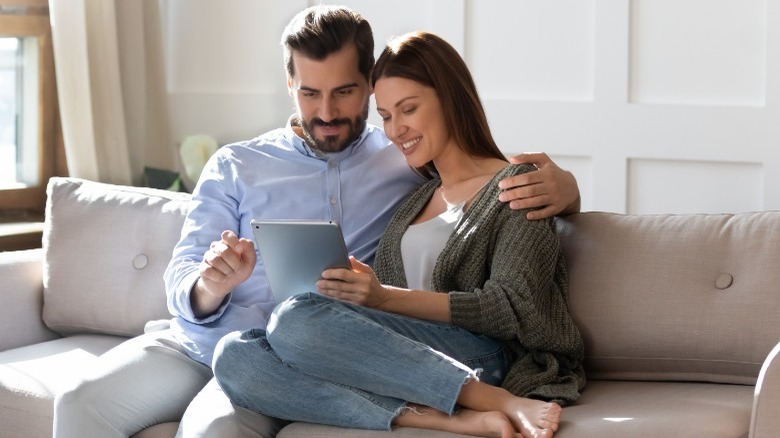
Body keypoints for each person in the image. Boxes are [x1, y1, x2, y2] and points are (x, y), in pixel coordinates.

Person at [52, 5, 581, 438]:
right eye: (310, 93)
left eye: (345, 93)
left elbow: (486, 193)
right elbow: (184, 273)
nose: (326, 111)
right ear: (290, 86)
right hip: (206, 343)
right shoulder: (238, 165)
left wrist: (568, 192)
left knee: (217, 424)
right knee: (79, 401)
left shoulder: (400, 159)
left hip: (318, 347)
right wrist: (209, 285)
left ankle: (472, 404)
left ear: (367, 85)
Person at [212, 29, 585, 438]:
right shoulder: (417, 196)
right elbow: (392, 310)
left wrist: (385, 297)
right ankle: (439, 416)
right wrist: (364, 294)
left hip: (486, 353)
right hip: (406, 355)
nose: (394, 131)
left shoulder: (517, 185)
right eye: (386, 116)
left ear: (450, 98)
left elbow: (509, 308)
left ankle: (498, 400)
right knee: (235, 356)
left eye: (408, 109)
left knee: (294, 320)